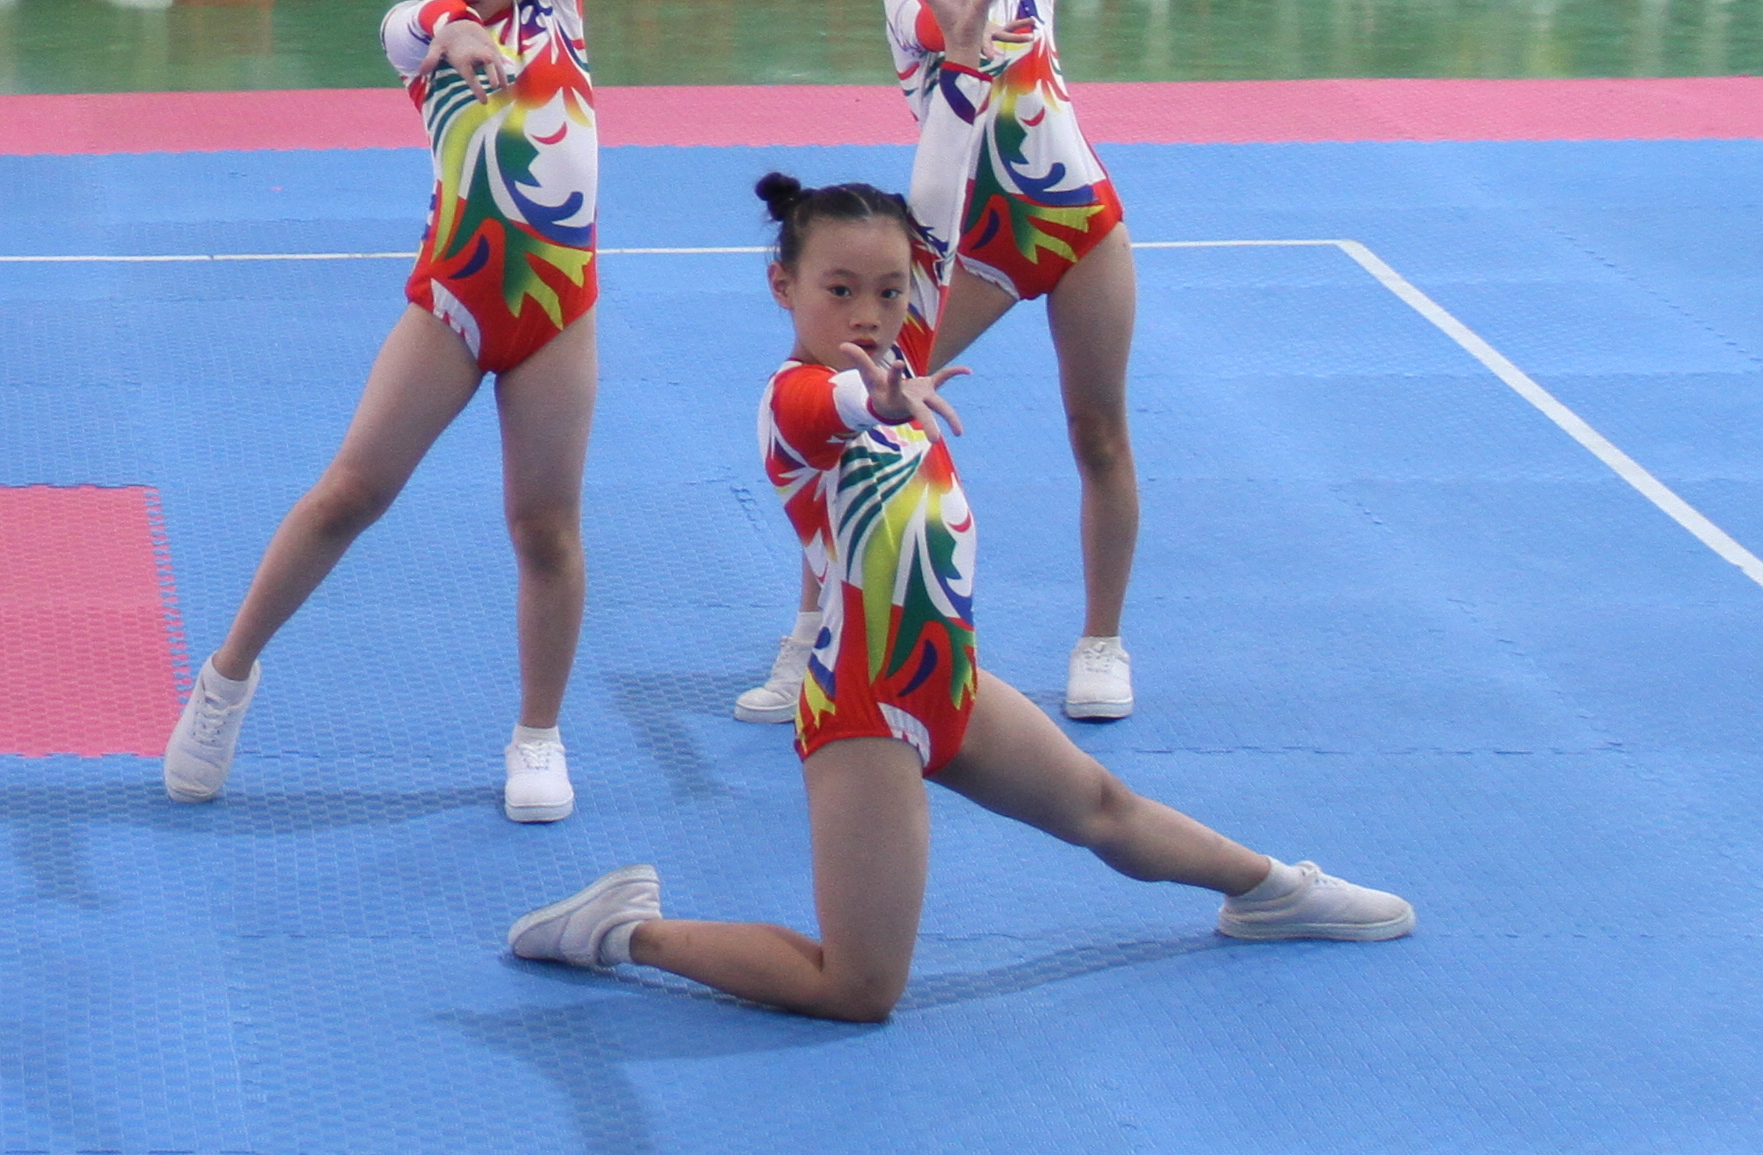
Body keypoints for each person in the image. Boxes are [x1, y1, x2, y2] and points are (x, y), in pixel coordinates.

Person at [506, 174, 1413, 1019]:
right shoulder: (796, 400)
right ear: (782, 286)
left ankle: (1271, 891)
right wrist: (881, 403)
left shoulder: (900, 372)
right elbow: (830, 411)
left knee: (1104, 810)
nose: (869, 315)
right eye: (839, 290)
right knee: (857, 990)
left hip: (948, 684)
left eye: (891, 292)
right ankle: (621, 929)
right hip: (865, 711)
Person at [164, 0, 665, 822]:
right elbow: (421, 24)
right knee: (346, 492)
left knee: (543, 526)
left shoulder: (556, 5)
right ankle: (225, 676)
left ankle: (536, 733)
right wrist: (452, 29)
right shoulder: (409, 32)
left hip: (557, 312)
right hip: (450, 302)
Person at [736, 0, 1165, 735]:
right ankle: (810, 640)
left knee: (1098, 428)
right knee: (865, 415)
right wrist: (964, 18)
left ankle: (1099, 639)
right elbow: (939, 27)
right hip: (968, 246)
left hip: (1079, 224)